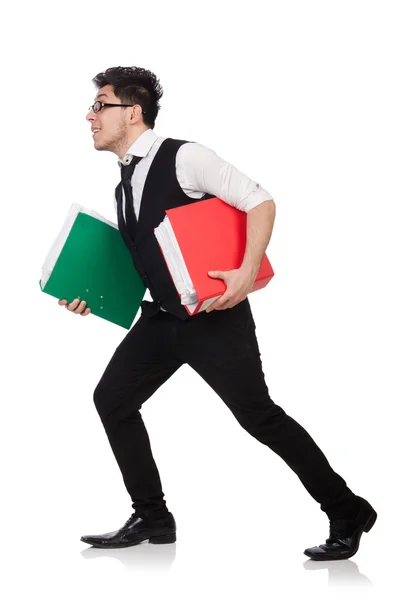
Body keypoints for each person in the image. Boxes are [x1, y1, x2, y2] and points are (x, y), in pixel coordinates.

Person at [60, 66, 376, 559]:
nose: (90, 115)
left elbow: (260, 201)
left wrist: (247, 273)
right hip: (162, 318)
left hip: (215, 316)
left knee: (260, 417)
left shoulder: (185, 156)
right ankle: (153, 517)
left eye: (101, 105)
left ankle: (347, 509)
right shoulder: (123, 185)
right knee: (113, 400)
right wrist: (90, 294)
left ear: (133, 112)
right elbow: (144, 258)